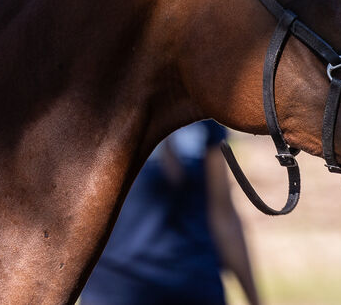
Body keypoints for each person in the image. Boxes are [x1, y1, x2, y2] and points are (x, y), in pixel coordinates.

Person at [80, 120, 260, 305]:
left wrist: (254, 299)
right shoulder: (106, 111)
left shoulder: (204, 118)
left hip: (196, 285)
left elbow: (223, 213)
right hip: (116, 289)